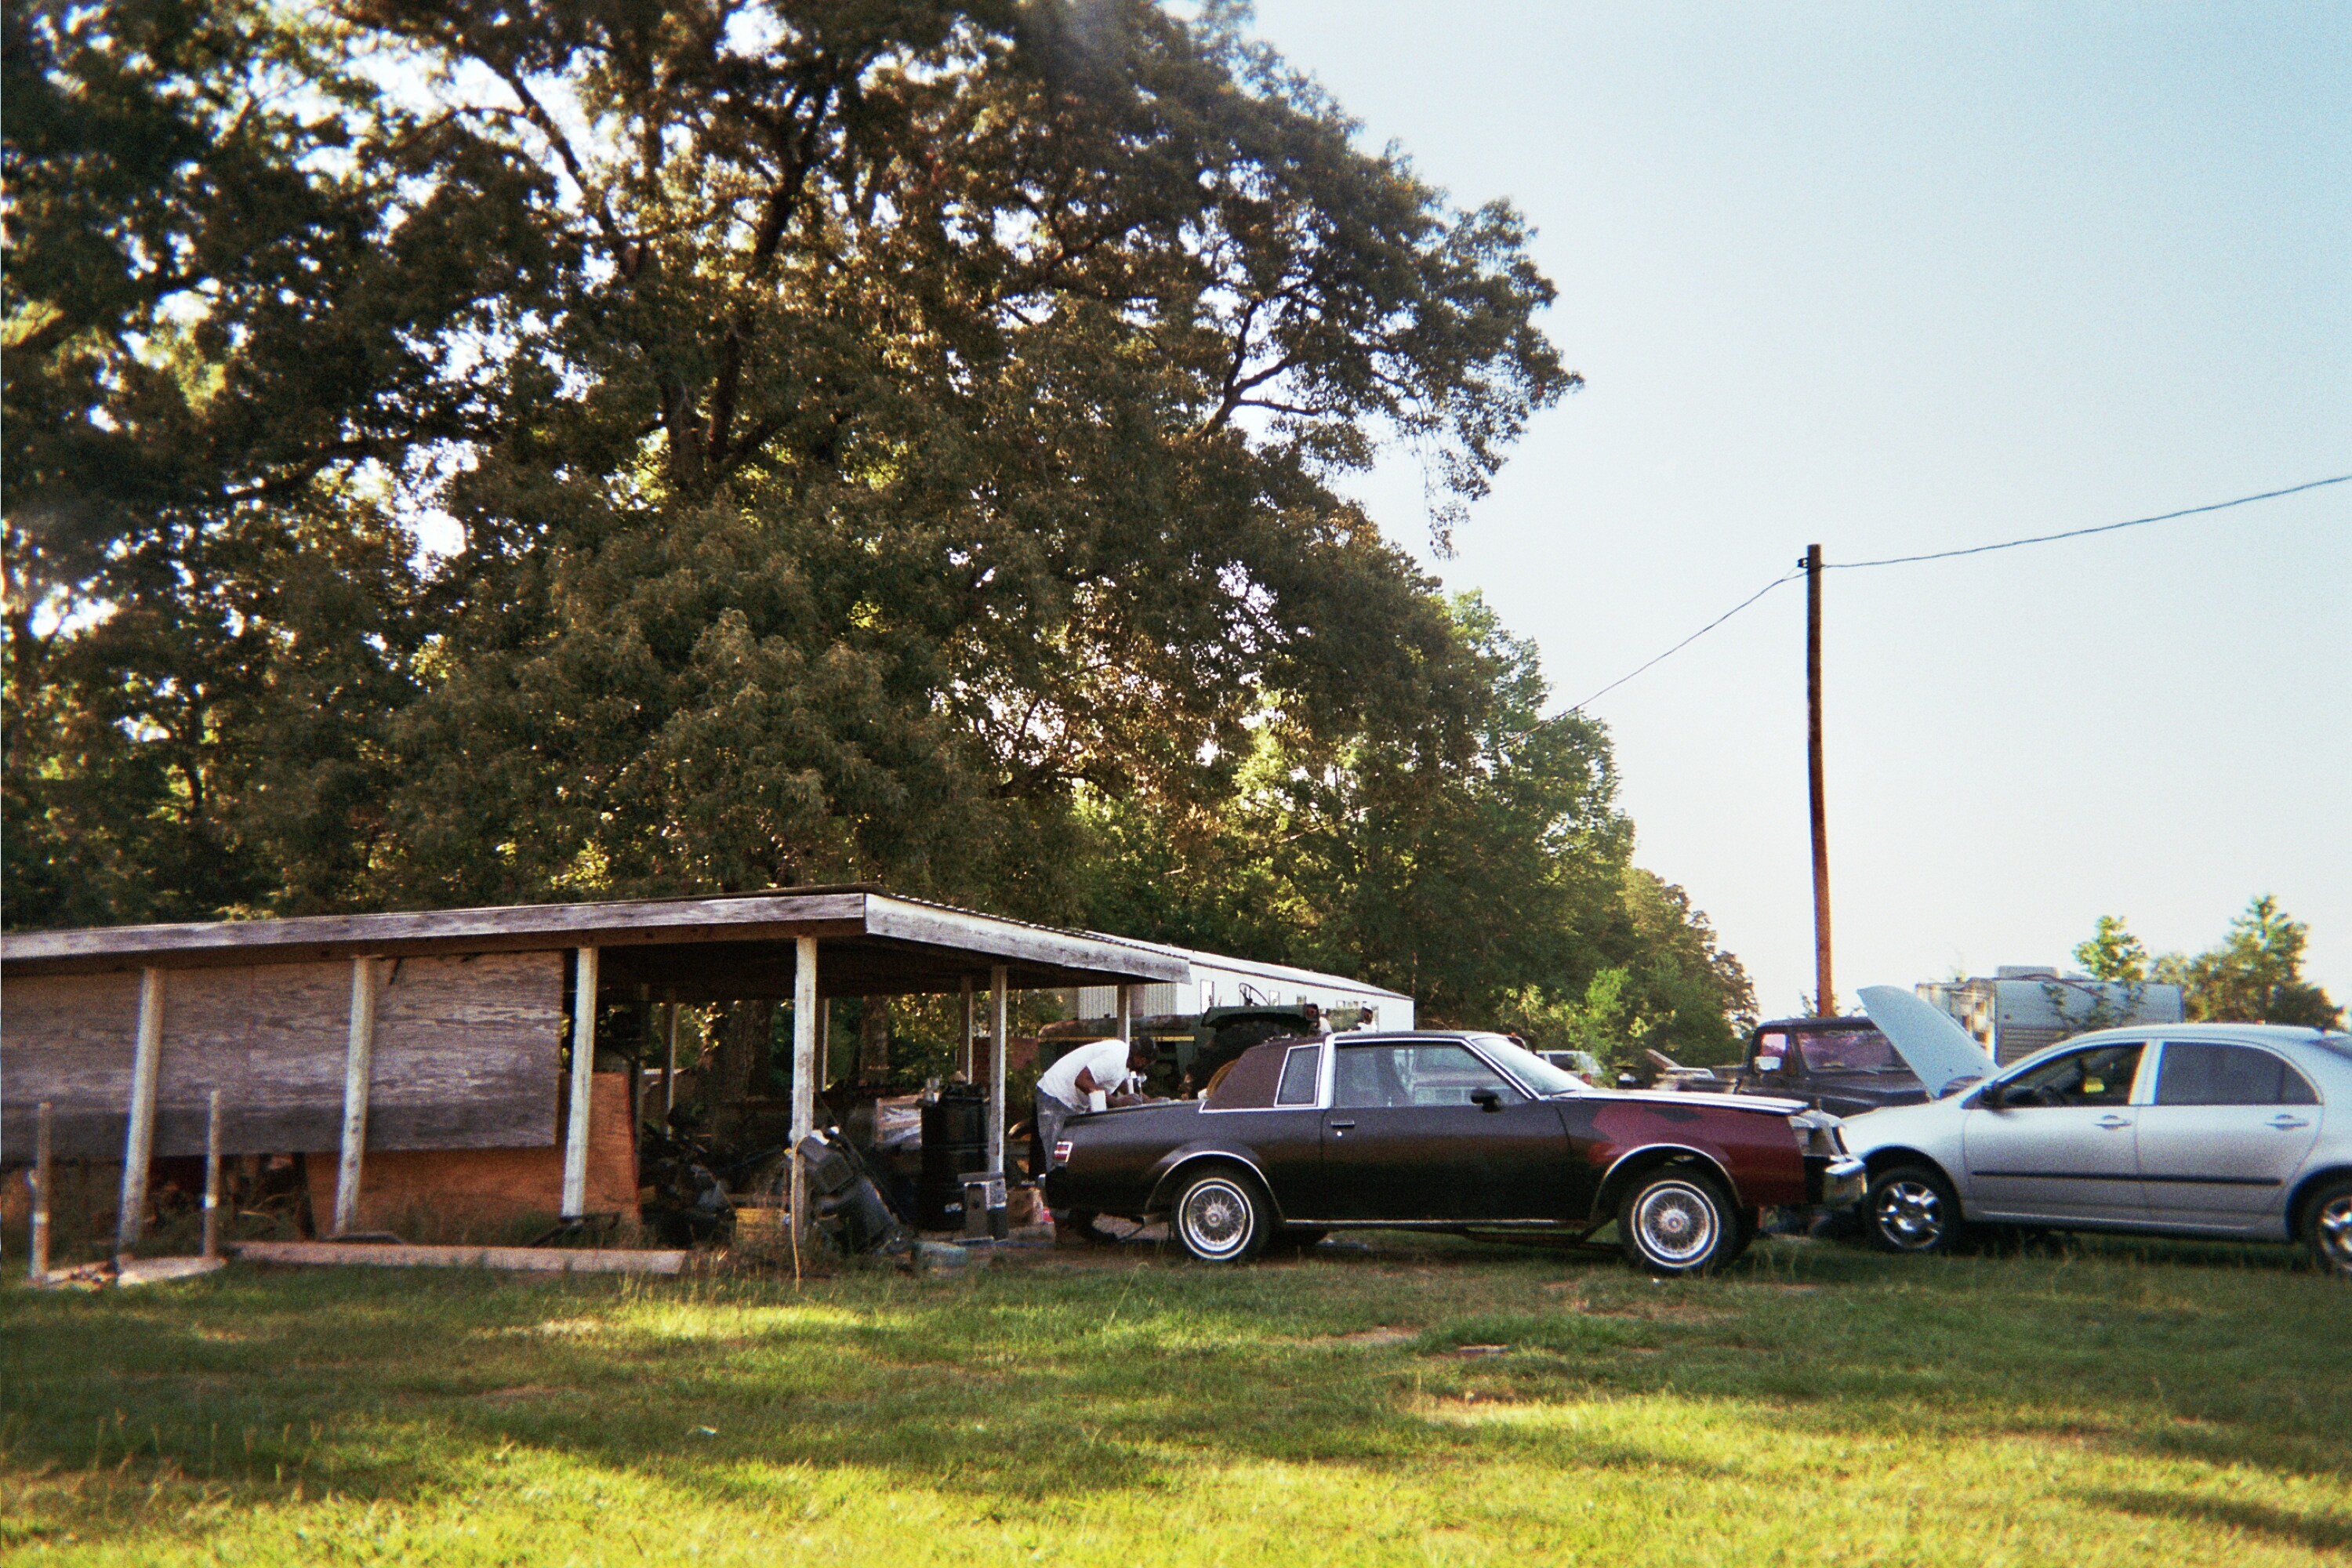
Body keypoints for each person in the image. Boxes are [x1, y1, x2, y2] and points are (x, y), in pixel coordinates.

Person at [1033, 1036, 1152, 1241]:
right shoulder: (1116, 1058)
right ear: (1141, 1059)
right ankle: (1064, 1229)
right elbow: (1082, 1080)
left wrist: (1149, 1101)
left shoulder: (1121, 1060)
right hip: (1055, 1098)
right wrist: (1117, 1102)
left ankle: (1080, 1225)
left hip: (1068, 1103)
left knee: (1079, 1161)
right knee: (1059, 1164)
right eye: (1147, 1064)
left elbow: (1121, 1085)